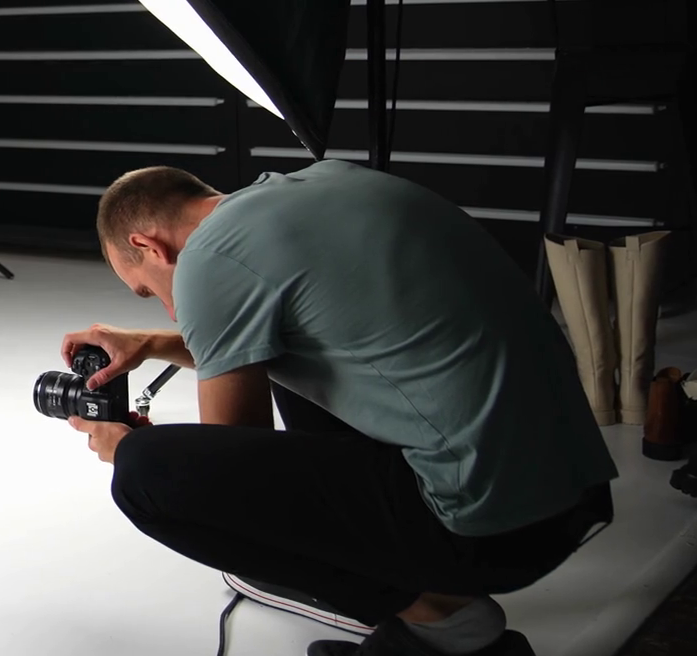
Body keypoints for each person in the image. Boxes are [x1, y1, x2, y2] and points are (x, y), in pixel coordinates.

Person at [64, 162, 617, 656]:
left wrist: (124, 445)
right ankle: (433, 595)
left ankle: (444, 619)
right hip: (572, 495)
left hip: (488, 536)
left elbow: (230, 465)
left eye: (147, 289)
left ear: (150, 246)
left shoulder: (208, 258)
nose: (168, 308)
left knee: (146, 473)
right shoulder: (325, 182)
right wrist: (153, 343)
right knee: (284, 349)